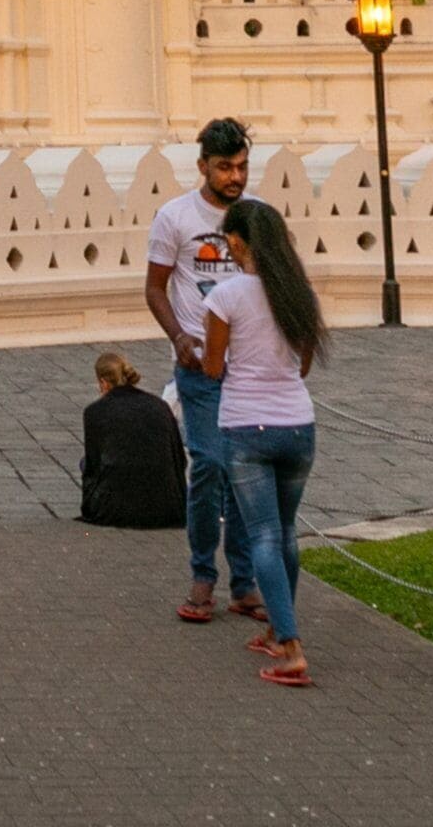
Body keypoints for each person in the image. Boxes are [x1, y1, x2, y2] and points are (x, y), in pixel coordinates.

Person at [201, 197, 325, 689]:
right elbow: (305, 364)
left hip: (246, 425)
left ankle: (292, 648)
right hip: (298, 423)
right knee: (287, 532)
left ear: (236, 242)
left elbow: (213, 368)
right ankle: (276, 628)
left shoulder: (226, 296)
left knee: (264, 537)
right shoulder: (298, 293)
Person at [142, 117, 255, 624]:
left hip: (250, 365)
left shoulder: (257, 218)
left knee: (247, 471)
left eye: (242, 167)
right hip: (200, 366)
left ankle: (246, 581)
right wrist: (179, 338)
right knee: (209, 464)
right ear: (203, 166)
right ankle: (203, 575)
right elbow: (154, 288)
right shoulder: (175, 217)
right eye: (225, 167)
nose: (235, 177)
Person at [76, 351, 184, 529]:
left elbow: (93, 467)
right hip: (168, 507)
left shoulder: (95, 411)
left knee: (84, 462)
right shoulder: (159, 405)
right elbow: (179, 458)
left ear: (103, 383)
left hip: (115, 509)